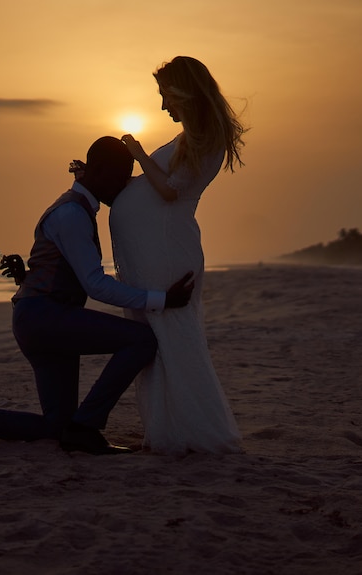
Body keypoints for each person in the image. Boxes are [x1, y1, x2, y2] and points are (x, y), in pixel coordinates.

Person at [0, 136, 195, 455]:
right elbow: (96, 285)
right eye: (121, 176)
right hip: (47, 319)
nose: (124, 184)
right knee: (142, 340)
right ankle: (87, 426)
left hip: (40, 320)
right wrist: (161, 299)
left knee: (56, 426)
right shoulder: (71, 215)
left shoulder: (75, 208)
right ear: (98, 171)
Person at [111, 56, 246, 455]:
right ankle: (166, 430)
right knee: (155, 339)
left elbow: (171, 189)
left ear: (183, 92)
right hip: (157, 250)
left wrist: (137, 153)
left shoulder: (203, 138)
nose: (163, 106)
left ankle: (196, 432)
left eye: (165, 96)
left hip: (168, 251)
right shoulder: (191, 136)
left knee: (172, 338)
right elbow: (158, 186)